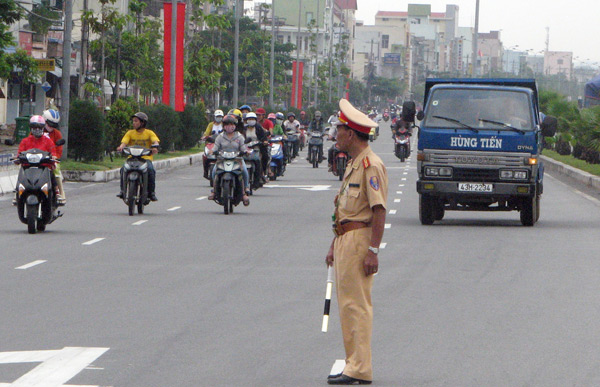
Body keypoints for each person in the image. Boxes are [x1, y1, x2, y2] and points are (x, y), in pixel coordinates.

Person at [325, 98, 388, 386]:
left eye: (339, 129)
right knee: (346, 306)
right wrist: (333, 244)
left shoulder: (371, 165)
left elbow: (378, 210)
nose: (335, 134)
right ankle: (354, 363)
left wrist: (373, 251)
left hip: (360, 241)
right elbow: (345, 209)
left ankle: (359, 368)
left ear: (351, 133)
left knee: (356, 306)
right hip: (346, 239)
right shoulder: (354, 164)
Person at [14, 115, 61, 205]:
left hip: (43, 168)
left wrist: (54, 157)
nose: (37, 129)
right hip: (28, 168)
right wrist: (17, 159)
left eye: (39, 127)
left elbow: (53, 153)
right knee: (21, 174)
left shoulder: (48, 141)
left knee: (52, 173)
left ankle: (56, 191)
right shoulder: (25, 141)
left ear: (43, 128)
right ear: (30, 128)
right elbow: (20, 154)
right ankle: (17, 194)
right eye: (34, 127)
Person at [207, 115, 250, 206]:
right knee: (214, 171)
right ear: (224, 126)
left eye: (231, 124)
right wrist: (212, 151)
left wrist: (246, 151)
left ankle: (245, 190)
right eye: (227, 124)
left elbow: (243, 147)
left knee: (244, 171)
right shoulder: (220, 137)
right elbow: (215, 147)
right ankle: (214, 191)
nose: (229, 126)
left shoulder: (239, 137)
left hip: (237, 159)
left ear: (235, 125)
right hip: (222, 159)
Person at [116, 112, 160, 201]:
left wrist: (155, 146)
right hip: (132, 158)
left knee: (151, 170)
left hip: (145, 158)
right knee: (123, 169)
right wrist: (121, 147)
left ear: (142, 123)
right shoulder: (130, 133)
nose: (134, 123)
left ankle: (151, 192)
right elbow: (124, 142)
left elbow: (155, 141)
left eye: (136, 121)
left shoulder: (149, 133)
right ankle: (122, 191)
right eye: (133, 121)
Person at [42, 108, 66, 205]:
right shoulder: (37, 131)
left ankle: (61, 193)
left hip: (51, 159)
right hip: (37, 158)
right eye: (49, 124)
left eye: (53, 125)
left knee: (56, 172)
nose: (51, 127)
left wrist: (55, 157)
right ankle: (17, 194)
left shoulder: (57, 134)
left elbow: (59, 149)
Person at [242, 112, 269, 187]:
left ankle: (260, 176)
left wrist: (264, 141)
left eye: (252, 119)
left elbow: (263, 137)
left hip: (257, 148)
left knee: (261, 159)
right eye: (249, 119)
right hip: (246, 149)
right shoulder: (244, 128)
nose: (251, 120)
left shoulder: (258, 127)